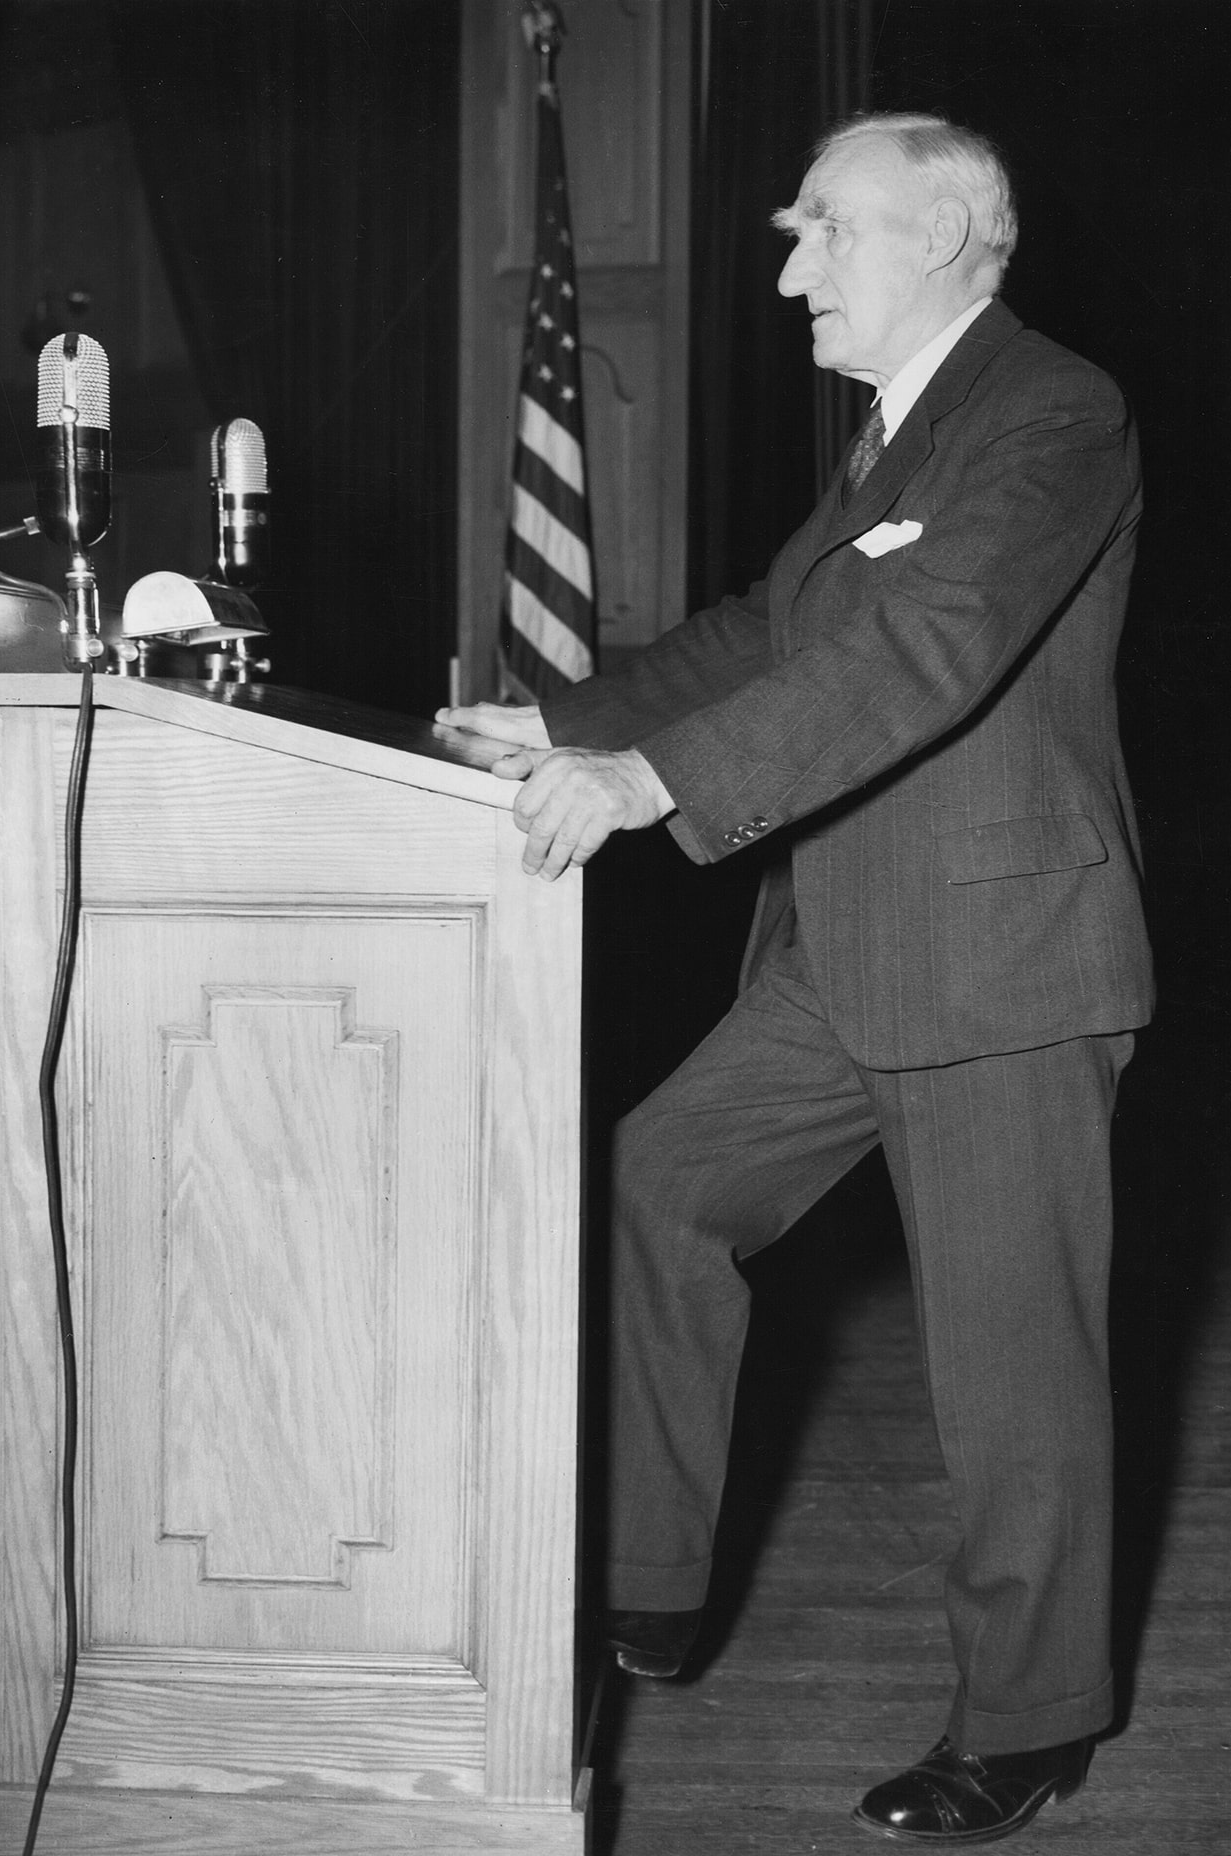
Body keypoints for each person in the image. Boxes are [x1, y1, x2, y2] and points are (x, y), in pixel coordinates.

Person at [439, 111, 1153, 1847]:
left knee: (1009, 1370)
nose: (786, 268)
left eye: (822, 230)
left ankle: (1033, 1722)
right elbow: (770, 633)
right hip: (849, 952)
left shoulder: (1053, 413)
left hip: (1001, 960)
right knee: (664, 1185)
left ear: (949, 242)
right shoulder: (888, 449)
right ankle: (650, 1586)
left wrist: (656, 782)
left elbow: (932, 643)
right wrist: (572, 719)